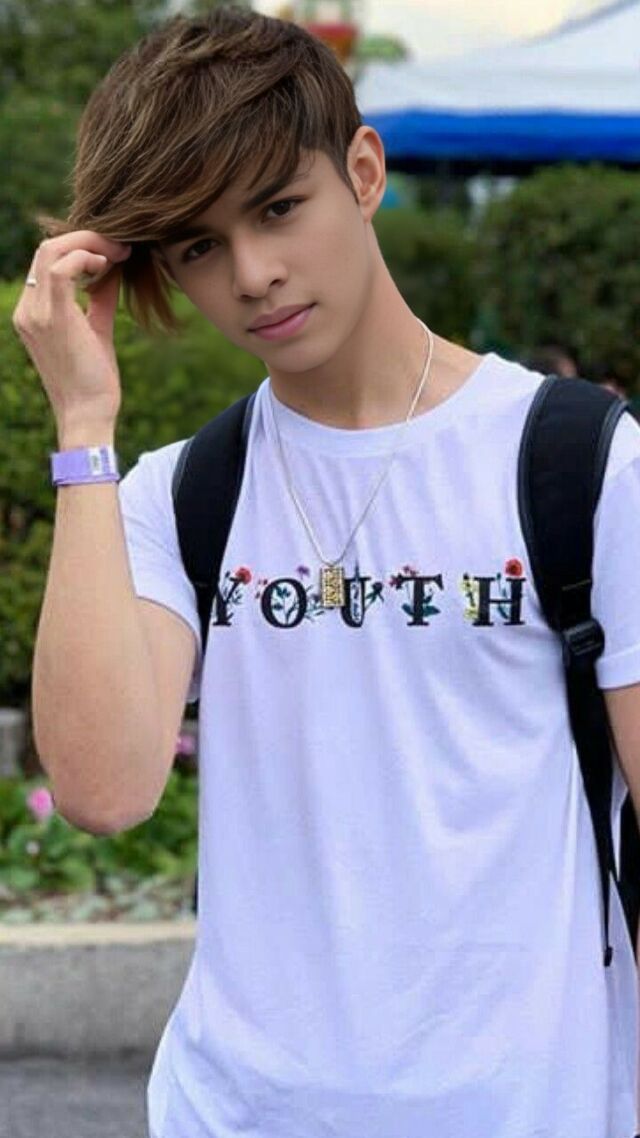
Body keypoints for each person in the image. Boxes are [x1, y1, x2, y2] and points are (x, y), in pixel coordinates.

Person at [12, 7, 640, 1137]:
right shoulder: (172, 493)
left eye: (276, 208)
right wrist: (82, 425)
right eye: (198, 247)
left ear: (362, 172)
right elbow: (103, 792)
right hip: (237, 1110)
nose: (253, 274)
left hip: (528, 1109)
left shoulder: (582, 464)